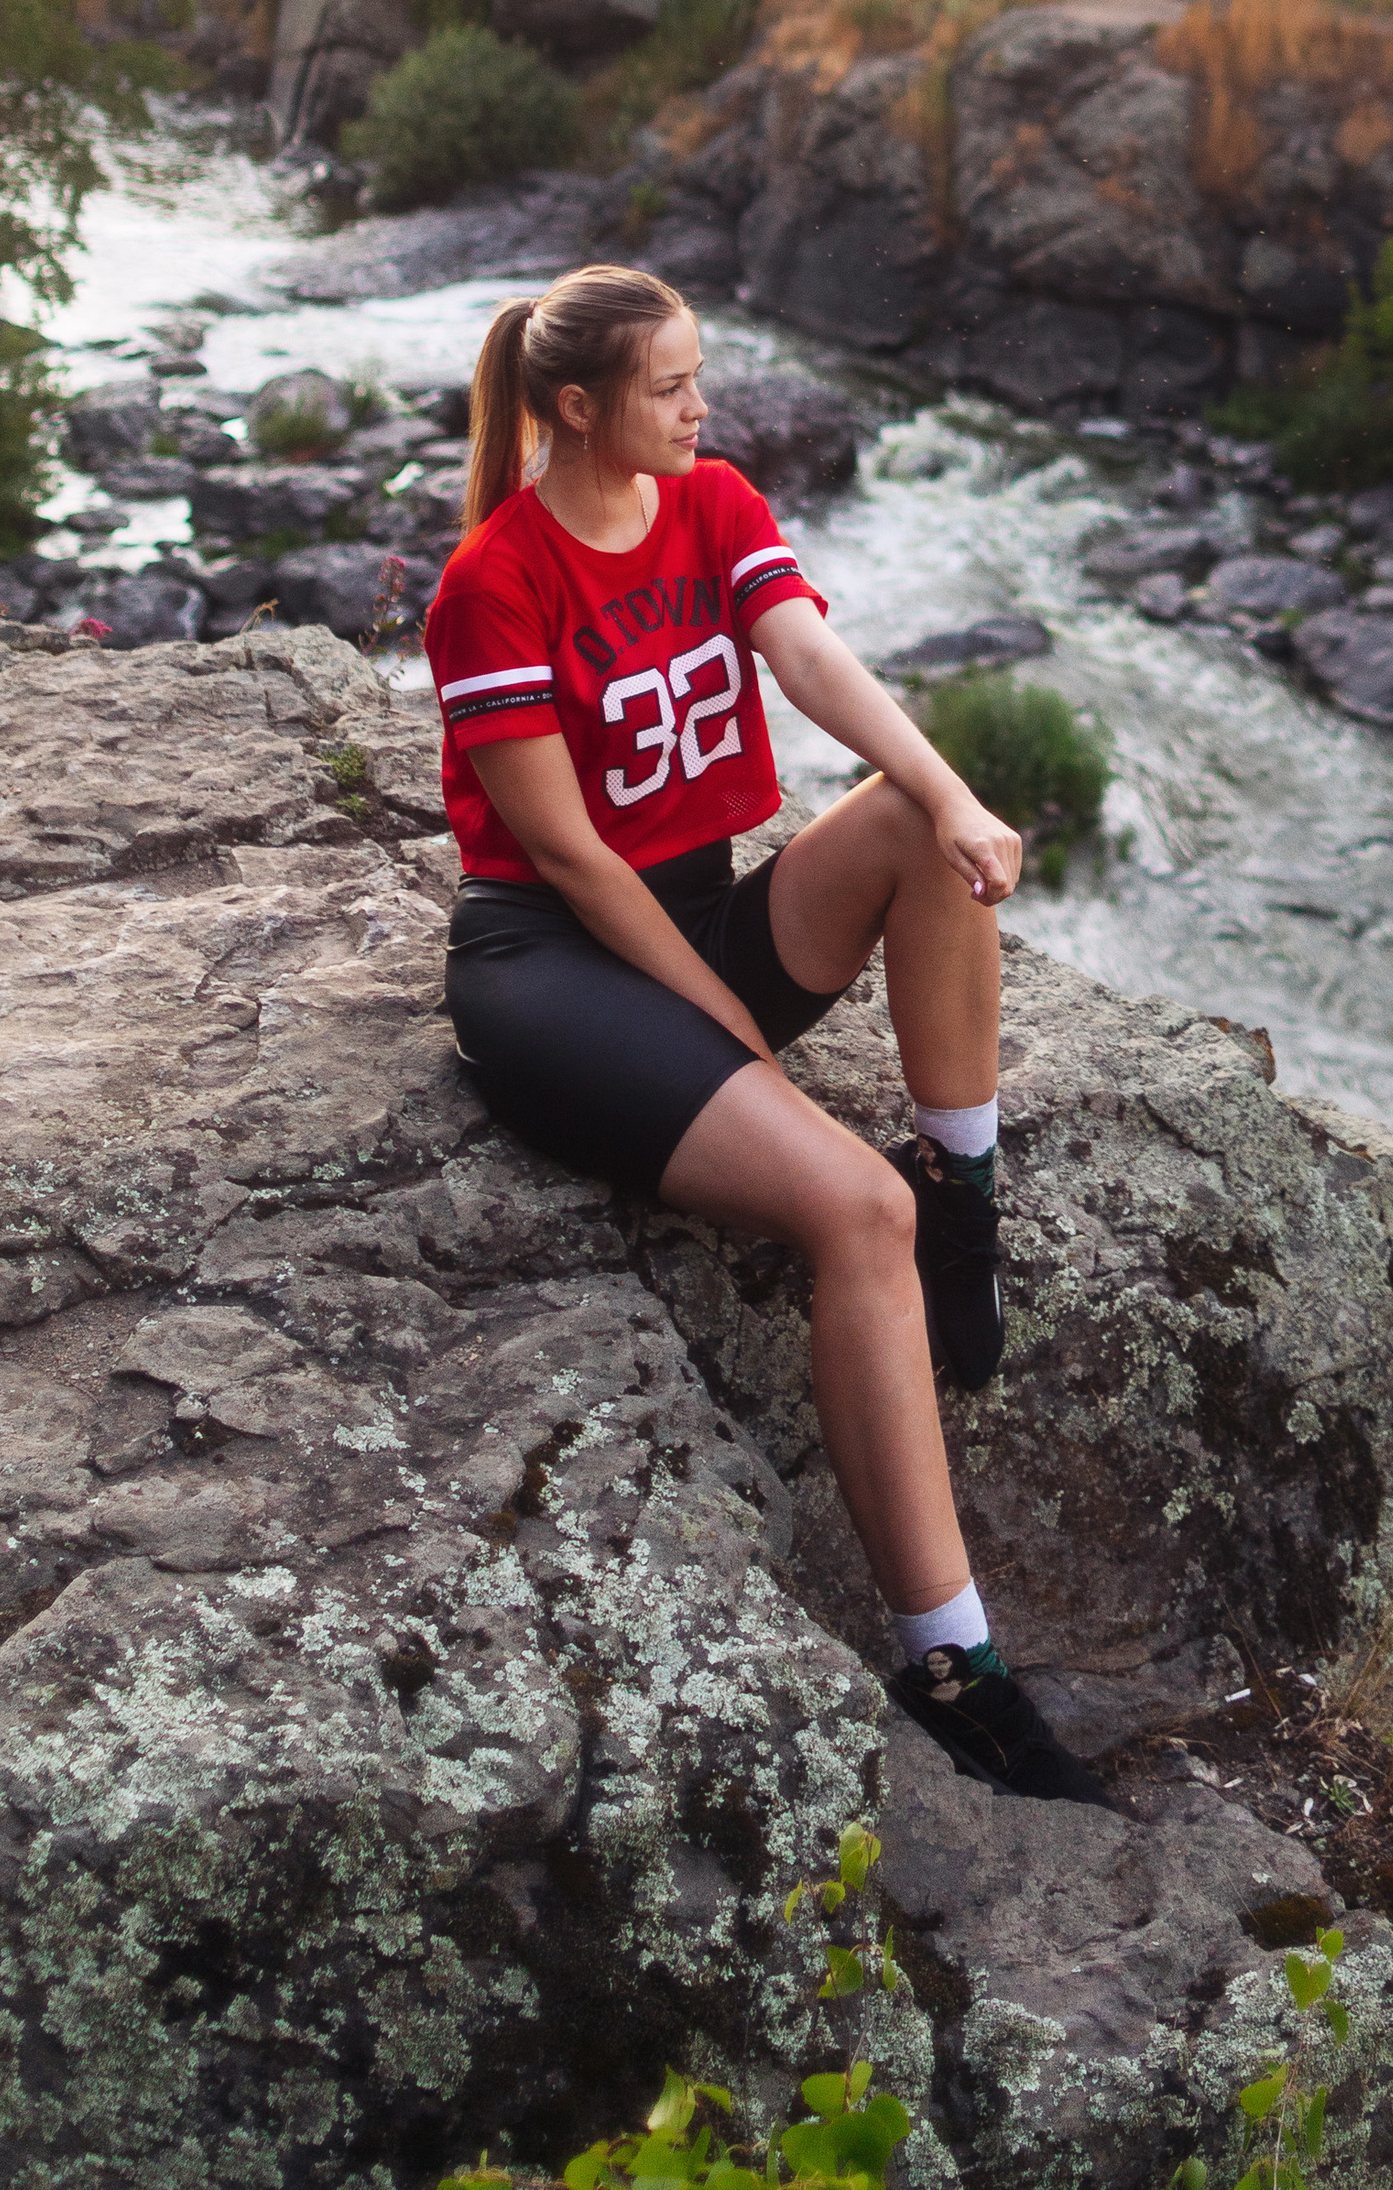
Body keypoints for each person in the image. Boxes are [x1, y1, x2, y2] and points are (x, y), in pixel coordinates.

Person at [423, 261, 1108, 1806]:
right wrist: (727, 1021)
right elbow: (577, 861)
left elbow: (804, 657)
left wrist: (946, 790)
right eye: (671, 386)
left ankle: (965, 1194)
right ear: (581, 408)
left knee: (909, 835)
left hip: (690, 908)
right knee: (843, 1210)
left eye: (699, 379)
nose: (701, 406)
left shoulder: (711, 502)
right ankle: (952, 1663)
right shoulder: (495, 583)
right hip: (552, 966)